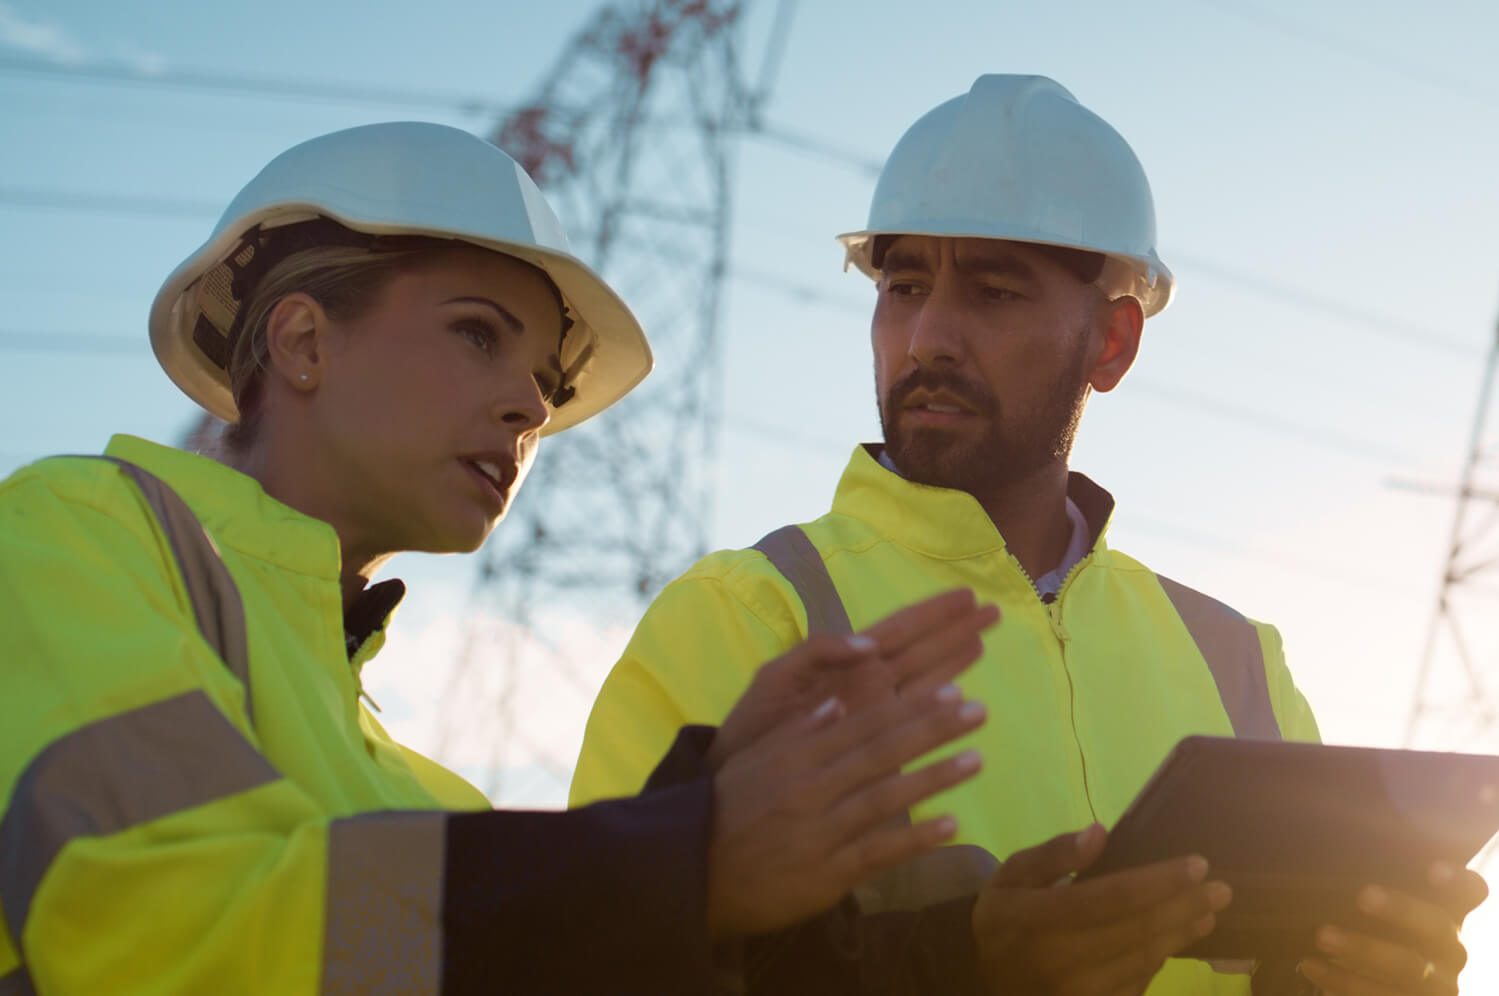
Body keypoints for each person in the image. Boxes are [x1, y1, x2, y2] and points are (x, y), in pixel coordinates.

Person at [0, 121, 1002, 995]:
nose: (531, 408)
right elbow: (163, 929)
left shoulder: (434, 803)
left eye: (545, 381)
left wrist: (957, 955)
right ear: (303, 340)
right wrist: (682, 857)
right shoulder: (74, 531)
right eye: (479, 335)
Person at [572, 75, 1489, 995]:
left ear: (1111, 344)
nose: (927, 336)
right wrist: (962, 970)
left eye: (995, 292)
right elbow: (599, 966)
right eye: (903, 286)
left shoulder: (1237, 663)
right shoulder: (746, 617)